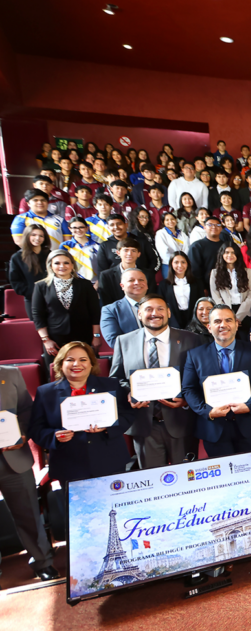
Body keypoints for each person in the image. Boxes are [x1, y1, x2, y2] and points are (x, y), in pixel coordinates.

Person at [29, 342, 134, 522]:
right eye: (70, 360)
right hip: (69, 464)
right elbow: (36, 429)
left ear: (92, 364)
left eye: (83, 359)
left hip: (108, 461)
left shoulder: (110, 385)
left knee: (115, 514)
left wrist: (108, 427)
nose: (77, 364)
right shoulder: (46, 392)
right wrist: (54, 437)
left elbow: (127, 415)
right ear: (60, 364)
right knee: (79, 520)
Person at [109, 293, 203, 468]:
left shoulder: (191, 339)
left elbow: (201, 376)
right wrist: (129, 393)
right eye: (149, 309)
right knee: (151, 480)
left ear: (168, 312)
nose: (155, 313)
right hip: (144, 424)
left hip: (181, 420)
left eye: (160, 309)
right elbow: (116, 379)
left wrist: (186, 399)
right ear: (139, 314)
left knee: (187, 479)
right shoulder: (123, 341)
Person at [181, 305, 251, 457]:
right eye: (217, 321)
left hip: (250, 424)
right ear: (209, 327)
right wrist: (208, 411)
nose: (223, 325)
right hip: (214, 427)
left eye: (228, 320)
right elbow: (189, 389)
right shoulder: (195, 355)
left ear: (237, 324)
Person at [0, 366, 59, 583]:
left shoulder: (10, 373)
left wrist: (22, 434)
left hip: (13, 456)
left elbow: (26, 410)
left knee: (28, 514)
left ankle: (42, 562)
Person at [32, 250, 101, 356]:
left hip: (83, 336)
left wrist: (96, 336)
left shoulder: (85, 284)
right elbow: (38, 315)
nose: (62, 266)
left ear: (72, 265)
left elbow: (95, 312)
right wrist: (46, 340)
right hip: (55, 339)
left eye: (66, 263)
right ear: (50, 265)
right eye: (57, 263)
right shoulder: (41, 286)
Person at [8, 224, 49, 319]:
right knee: (38, 328)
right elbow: (15, 281)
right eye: (33, 235)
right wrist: (31, 292)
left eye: (41, 236)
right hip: (32, 299)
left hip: (52, 298)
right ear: (27, 236)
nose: (37, 238)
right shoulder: (17, 257)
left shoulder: (49, 254)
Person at [100, 268, 148, 348]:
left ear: (146, 285)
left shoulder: (161, 306)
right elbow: (114, 341)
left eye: (141, 280)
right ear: (122, 286)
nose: (137, 283)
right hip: (131, 357)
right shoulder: (110, 310)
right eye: (131, 280)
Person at [209, 243, 251, 327]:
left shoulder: (248, 272)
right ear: (222, 254)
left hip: (244, 313)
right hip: (224, 313)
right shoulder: (215, 273)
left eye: (233, 252)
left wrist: (238, 317)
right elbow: (215, 295)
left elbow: (250, 295)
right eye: (227, 252)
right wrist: (228, 316)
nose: (230, 255)